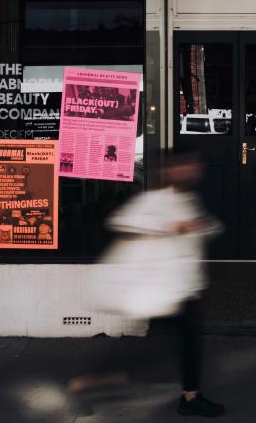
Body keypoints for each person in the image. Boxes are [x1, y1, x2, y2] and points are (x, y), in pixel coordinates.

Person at [77, 153, 225, 417]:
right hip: (162, 288)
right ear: (169, 171)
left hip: (181, 287)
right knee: (167, 346)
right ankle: (94, 383)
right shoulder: (154, 199)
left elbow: (204, 230)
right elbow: (119, 220)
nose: (191, 170)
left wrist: (202, 227)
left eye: (193, 166)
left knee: (183, 341)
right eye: (184, 166)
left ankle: (190, 396)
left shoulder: (188, 199)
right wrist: (170, 226)